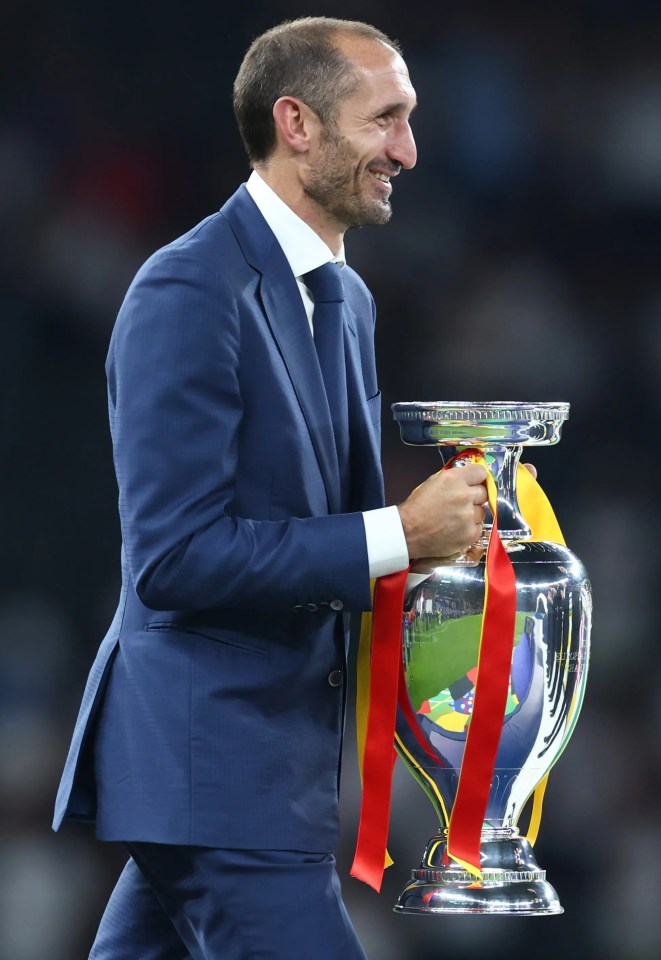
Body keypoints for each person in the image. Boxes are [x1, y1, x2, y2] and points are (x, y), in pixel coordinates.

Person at [53, 16, 488, 960]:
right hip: (218, 774)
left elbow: (323, 534)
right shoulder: (188, 289)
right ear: (297, 124)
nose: (407, 150)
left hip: (261, 776)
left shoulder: (347, 296)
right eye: (385, 120)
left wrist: (439, 580)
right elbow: (173, 558)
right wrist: (397, 535)